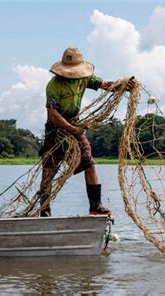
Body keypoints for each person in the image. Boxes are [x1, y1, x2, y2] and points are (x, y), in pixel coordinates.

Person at [37, 47, 117, 217]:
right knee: (49, 169)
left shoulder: (84, 78)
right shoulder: (54, 85)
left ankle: (96, 207)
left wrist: (122, 85)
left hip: (75, 124)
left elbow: (104, 85)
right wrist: (74, 130)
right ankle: (44, 210)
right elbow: (52, 115)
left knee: (89, 162)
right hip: (56, 131)